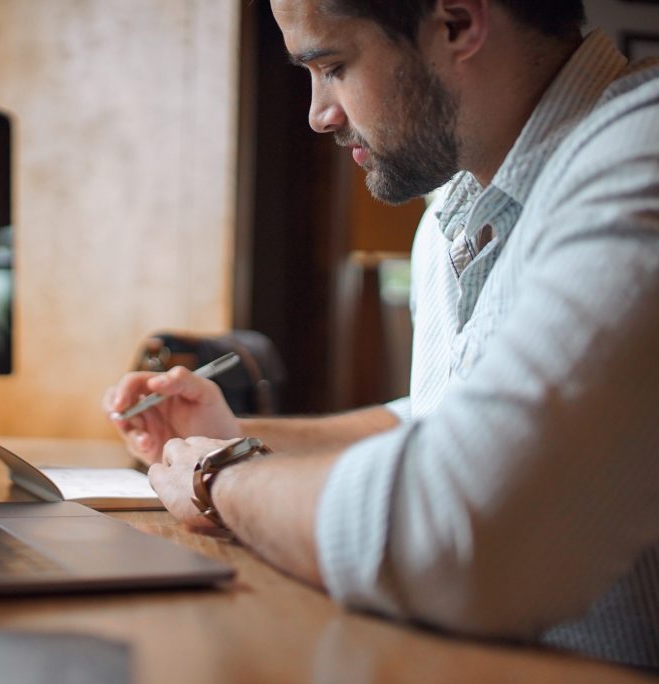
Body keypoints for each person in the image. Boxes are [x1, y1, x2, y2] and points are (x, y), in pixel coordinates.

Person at [103, 0, 659, 670]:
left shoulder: (641, 158)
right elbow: (437, 422)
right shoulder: (451, 216)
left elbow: (456, 534)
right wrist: (235, 434)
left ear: (457, 21)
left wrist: (220, 478)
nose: (319, 113)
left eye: (333, 66)